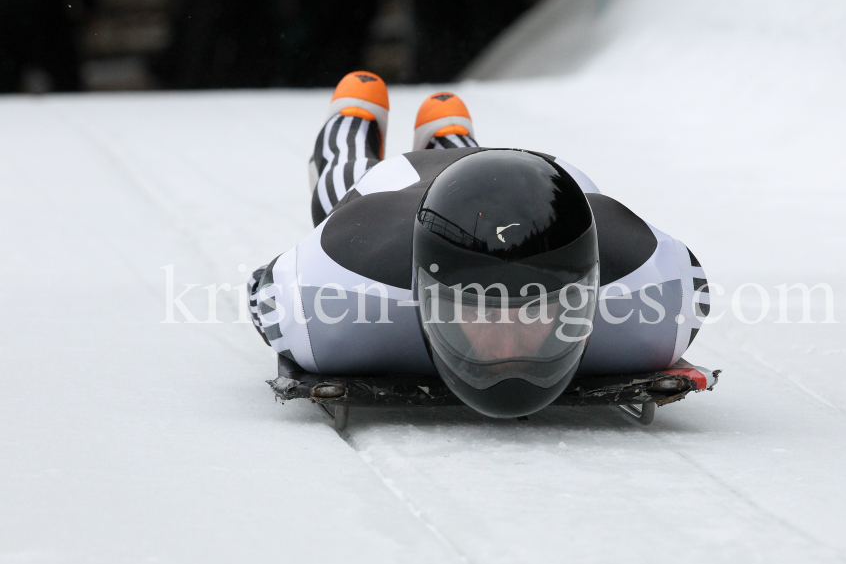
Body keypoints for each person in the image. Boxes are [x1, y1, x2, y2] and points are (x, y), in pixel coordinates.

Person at [248, 71, 710, 417]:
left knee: (480, 174)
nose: (506, 346)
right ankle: (355, 117)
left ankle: (448, 132)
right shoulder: (331, 295)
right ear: (427, 297)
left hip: (548, 182)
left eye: (533, 310)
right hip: (394, 194)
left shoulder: (656, 293)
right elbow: (264, 287)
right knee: (344, 185)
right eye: (480, 310)